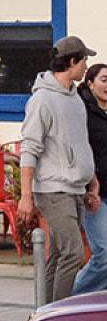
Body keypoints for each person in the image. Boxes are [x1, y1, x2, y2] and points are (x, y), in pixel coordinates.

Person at [17, 35, 98, 303]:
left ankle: (45, 310)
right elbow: (29, 148)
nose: (86, 64)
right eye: (84, 59)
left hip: (73, 188)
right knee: (73, 253)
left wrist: (91, 180)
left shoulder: (74, 99)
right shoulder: (42, 100)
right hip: (53, 189)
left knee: (57, 255)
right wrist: (25, 196)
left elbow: (79, 143)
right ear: (71, 61)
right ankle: (60, 315)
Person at [73, 63, 107, 294]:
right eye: (104, 79)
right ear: (90, 83)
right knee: (104, 254)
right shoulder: (81, 111)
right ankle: (73, 296)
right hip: (95, 194)